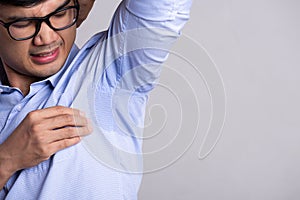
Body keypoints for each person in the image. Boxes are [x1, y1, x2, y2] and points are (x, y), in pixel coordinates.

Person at [0, 0, 192, 199]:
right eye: (22, 24)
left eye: (60, 13)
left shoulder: (113, 70)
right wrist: (7, 159)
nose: (47, 38)